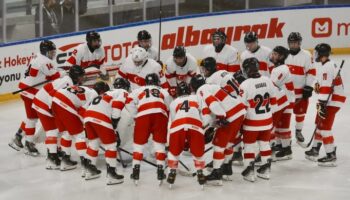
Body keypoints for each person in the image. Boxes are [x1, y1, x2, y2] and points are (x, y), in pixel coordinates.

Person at [9, 40, 65, 156]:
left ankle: (18, 137)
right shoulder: (44, 61)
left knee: (31, 117)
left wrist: (59, 71)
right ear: (45, 52)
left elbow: (47, 74)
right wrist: (63, 73)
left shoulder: (39, 58)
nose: (53, 54)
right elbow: (53, 76)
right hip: (30, 92)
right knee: (32, 119)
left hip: (27, 90)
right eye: (51, 52)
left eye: (53, 52)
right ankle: (28, 144)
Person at [190, 74, 246, 185]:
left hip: (230, 116)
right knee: (228, 143)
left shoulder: (201, 90)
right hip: (240, 112)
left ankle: (216, 174)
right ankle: (226, 168)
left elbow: (211, 103)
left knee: (218, 145)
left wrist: (221, 117)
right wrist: (213, 123)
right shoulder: (212, 86)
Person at [32, 65, 85, 169]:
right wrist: (52, 110)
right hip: (43, 103)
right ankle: (52, 159)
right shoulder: (67, 82)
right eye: (80, 76)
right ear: (75, 76)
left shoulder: (69, 81)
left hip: (43, 102)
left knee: (58, 129)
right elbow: (51, 94)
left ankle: (54, 152)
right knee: (53, 131)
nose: (82, 78)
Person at [51, 81, 109, 171]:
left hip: (55, 100)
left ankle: (65, 161)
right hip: (65, 102)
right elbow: (82, 112)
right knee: (80, 134)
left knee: (67, 133)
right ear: (102, 92)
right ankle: (86, 164)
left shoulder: (87, 89)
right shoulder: (94, 95)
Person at [126, 73, 171, 186]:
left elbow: (128, 101)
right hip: (160, 115)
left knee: (138, 145)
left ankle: (135, 171)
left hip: (143, 116)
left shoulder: (138, 90)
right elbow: (169, 105)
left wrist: (135, 115)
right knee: (159, 145)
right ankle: (160, 170)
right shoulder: (163, 90)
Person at [305, 43, 346, 167]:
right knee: (319, 123)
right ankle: (315, 149)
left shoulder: (328, 67)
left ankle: (331, 154)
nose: (315, 54)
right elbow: (321, 85)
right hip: (326, 100)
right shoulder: (324, 65)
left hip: (332, 101)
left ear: (322, 54)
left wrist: (322, 103)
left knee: (324, 127)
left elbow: (327, 88)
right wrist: (317, 87)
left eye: (317, 52)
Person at [83, 78, 130, 184]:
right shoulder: (122, 92)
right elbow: (117, 105)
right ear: (125, 86)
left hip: (88, 116)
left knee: (93, 144)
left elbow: (87, 107)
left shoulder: (107, 93)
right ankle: (111, 175)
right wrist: (114, 121)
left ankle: (90, 171)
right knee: (111, 146)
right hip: (101, 117)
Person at [239, 57, 276, 182]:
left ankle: (250, 173)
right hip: (267, 121)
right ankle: (266, 171)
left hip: (251, 123)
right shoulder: (268, 80)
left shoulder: (245, 84)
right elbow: (274, 102)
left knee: (249, 147)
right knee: (265, 144)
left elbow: (241, 108)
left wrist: (239, 125)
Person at [167, 82, 208, 188]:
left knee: (174, 152)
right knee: (198, 153)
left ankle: (172, 171)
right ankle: (200, 172)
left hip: (178, 126)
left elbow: (173, 120)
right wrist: (205, 127)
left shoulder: (173, 102)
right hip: (195, 125)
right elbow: (204, 114)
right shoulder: (197, 97)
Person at [285, 32, 315, 145]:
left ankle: (298, 131)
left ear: (299, 43)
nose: (293, 45)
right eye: (291, 43)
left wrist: (308, 86)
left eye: (295, 43)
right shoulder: (284, 54)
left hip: (300, 91)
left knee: (300, 113)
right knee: (285, 114)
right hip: (286, 92)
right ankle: (284, 134)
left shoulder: (306, 55)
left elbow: (311, 71)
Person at [269, 46, 295, 161]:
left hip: (286, 102)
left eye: (275, 54)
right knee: (280, 126)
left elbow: (273, 84)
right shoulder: (277, 68)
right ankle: (282, 147)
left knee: (282, 126)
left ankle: (286, 150)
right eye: (273, 53)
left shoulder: (282, 69)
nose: (272, 56)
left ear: (281, 56)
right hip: (283, 100)